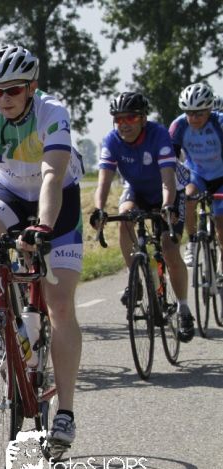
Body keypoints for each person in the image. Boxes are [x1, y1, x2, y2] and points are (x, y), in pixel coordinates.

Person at [0, 45, 84, 452]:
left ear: (31, 87)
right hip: (8, 193)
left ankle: (65, 411)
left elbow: (52, 175)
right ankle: (2, 323)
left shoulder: (52, 112)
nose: (4, 98)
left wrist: (43, 227)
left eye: (13, 90)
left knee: (60, 305)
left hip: (58, 198)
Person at [91, 91, 194, 342]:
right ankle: (135, 280)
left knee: (169, 249)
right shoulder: (111, 140)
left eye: (131, 118)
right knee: (124, 217)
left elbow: (168, 179)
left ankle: (183, 309)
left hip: (169, 190)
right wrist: (99, 209)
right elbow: (103, 182)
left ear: (143, 118)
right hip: (137, 189)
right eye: (119, 119)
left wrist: (167, 206)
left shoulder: (158, 135)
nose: (124, 124)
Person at [169, 83, 223, 274]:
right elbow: (170, 158)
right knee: (188, 197)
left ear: (209, 109)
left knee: (221, 224)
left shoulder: (219, 123)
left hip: (221, 177)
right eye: (189, 113)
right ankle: (192, 242)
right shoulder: (178, 125)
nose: (193, 118)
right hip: (196, 173)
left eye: (199, 113)